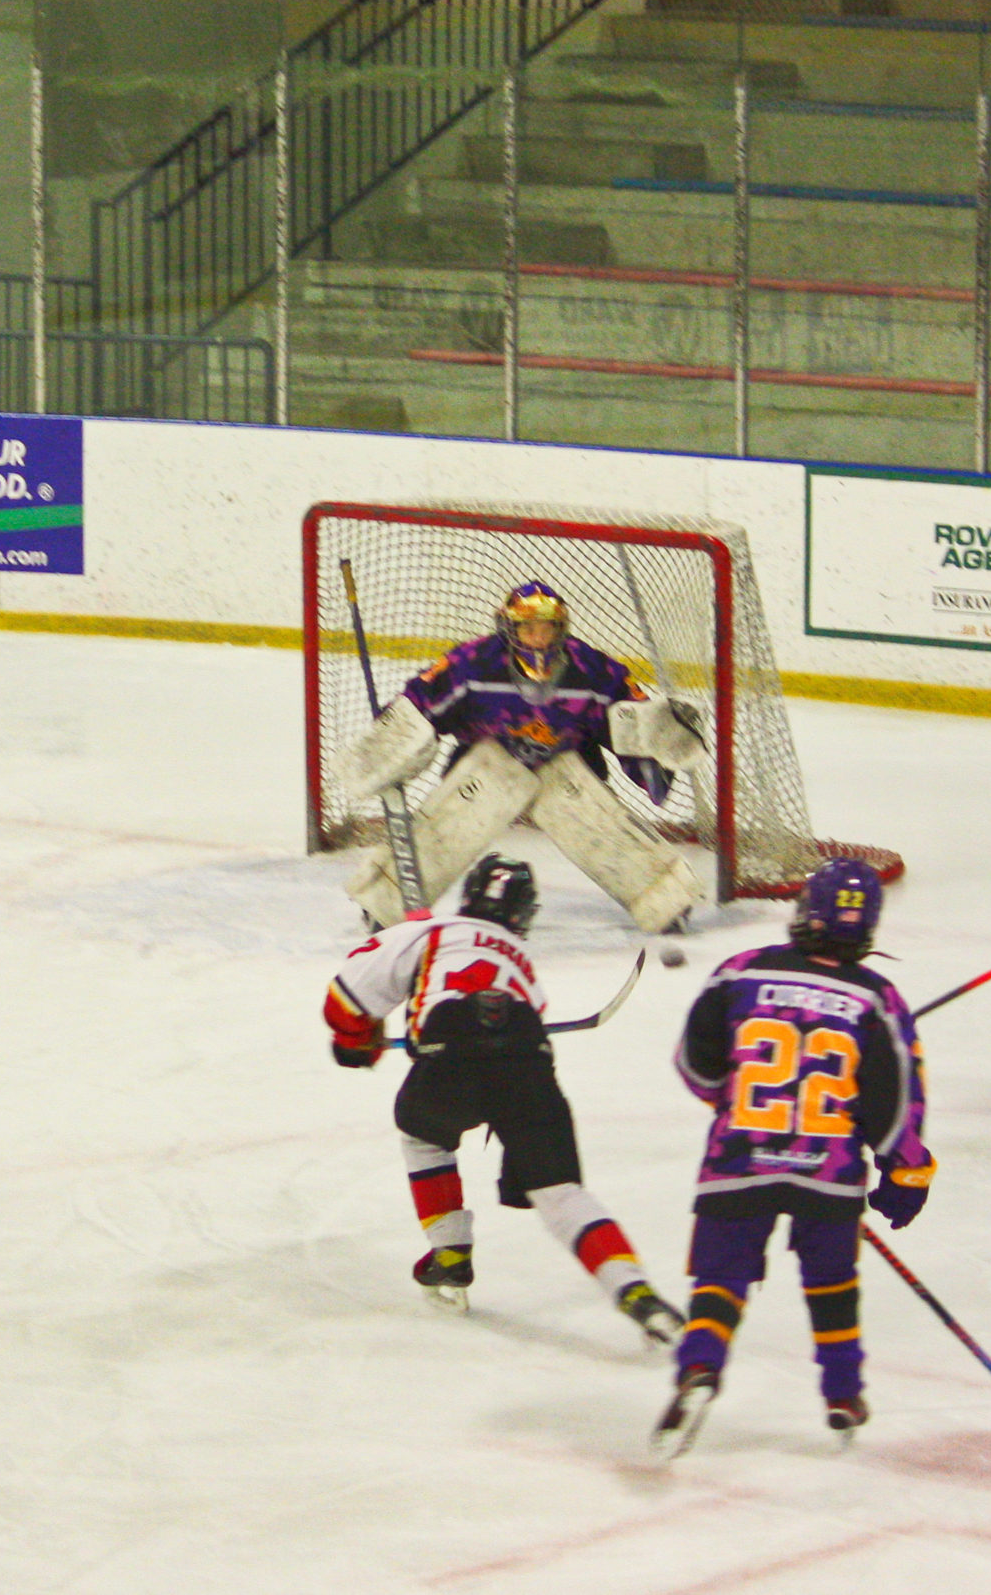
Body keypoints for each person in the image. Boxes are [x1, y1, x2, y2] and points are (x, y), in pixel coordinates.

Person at [325, 853, 683, 1342]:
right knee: (560, 1193)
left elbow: (346, 997)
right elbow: (509, 1033)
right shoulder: (519, 961)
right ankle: (635, 1291)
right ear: (524, 914)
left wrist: (353, 1042)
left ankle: (450, 1253)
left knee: (424, 1136)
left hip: (450, 1051)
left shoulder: (431, 931)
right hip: (527, 1055)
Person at [652, 857, 932, 1457]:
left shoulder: (740, 971)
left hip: (738, 1158)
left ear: (807, 911)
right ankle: (843, 1394)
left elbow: (694, 1062)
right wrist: (905, 1170)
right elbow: (895, 1099)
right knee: (832, 1281)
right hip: (828, 1172)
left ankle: (699, 1367)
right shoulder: (878, 998)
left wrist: (734, 1100)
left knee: (721, 1279)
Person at [339, 581, 709, 935]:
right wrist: (392, 740)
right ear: (508, 628)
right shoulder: (472, 665)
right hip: (487, 769)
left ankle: (663, 897)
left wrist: (658, 749)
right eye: (528, 628)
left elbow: (632, 721)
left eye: (547, 628)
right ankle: (387, 898)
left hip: (565, 770)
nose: (538, 638)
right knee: (468, 803)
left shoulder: (593, 671)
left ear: (561, 628)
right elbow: (420, 702)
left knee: (586, 811)